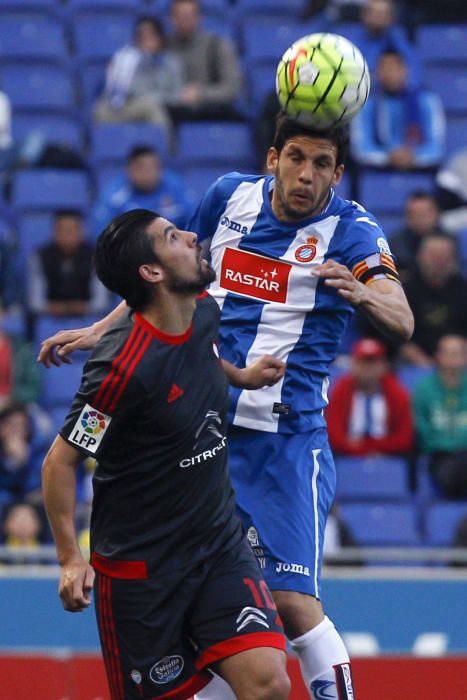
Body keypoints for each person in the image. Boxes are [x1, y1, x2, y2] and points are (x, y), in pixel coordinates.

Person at [38, 114, 414, 699]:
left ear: (338, 174)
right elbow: (160, 277)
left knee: (289, 603)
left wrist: (364, 292)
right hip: (205, 440)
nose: (306, 175)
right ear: (272, 158)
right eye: (295, 157)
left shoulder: (352, 230)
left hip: (284, 441)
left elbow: (403, 318)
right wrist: (99, 328)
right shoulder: (227, 197)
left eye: (321, 165)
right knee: (231, 636)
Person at [41, 209, 290, 700]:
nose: (193, 236)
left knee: (268, 683)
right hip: (142, 571)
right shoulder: (120, 371)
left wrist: (242, 376)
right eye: (174, 237)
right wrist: (71, 558)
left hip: (217, 546)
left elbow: (205, 358)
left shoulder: (203, 310)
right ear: (152, 273)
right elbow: (60, 462)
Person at [351, 49, 445, 171]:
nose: (389, 74)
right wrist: (388, 157)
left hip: (418, 170)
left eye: (394, 68)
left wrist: (414, 157)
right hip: (378, 170)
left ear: (405, 70)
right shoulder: (366, 103)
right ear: (377, 73)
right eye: (384, 68)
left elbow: (437, 147)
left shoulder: (427, 101)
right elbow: (360, 147)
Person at [94, 16, 184, 134]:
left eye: (150, 35)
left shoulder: (171, 63)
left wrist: (157, 98)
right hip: (126, 107)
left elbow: (178, 95)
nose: (145, 40)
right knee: (100, 110)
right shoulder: (125, 59)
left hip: (158, 107)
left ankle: (163, 149)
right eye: (141, 36)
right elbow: (123, 91)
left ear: (160, 38)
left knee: (153, 108)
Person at [326, 337, 414, 457]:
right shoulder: (341, 390)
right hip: (347, 456)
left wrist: (369, 447)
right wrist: (362, 450)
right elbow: (334, 434)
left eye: (373, 362)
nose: (368, 369)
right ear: (353, 365)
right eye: (363, 363)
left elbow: (405, 437)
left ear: (383, 365)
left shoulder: (397, 392)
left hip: (388, 458)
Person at [167, 0, 243, 124]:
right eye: (179, 15)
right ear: (171, 18)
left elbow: (232, 89)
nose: (184, 20)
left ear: (199, 17)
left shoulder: (216, 45)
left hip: (209, 113)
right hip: (172, 112)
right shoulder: (164, 46)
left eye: (189, 15)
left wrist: (201, 93)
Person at [92, 146, 194, 237]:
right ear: (129, 169)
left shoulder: (176, 187)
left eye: (154, 167)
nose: (149, 173)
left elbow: (196, 223)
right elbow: (102, 236)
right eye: (142, 167)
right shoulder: (114, 196)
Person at [413, 334, 467, 499]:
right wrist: (451, 445)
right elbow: (422, 431)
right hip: (439, 459)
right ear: (438, 357)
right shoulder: (424, 390)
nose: (451, 358)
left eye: (456, 353)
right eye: (447, 353)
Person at [399, 235, 467, 367]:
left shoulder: (463, 290)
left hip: (459, 359)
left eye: (444, 256)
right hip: (413, 361)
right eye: (433, 256)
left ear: (454, 260)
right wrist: (420, 360)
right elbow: (393, 334)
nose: (439, 262)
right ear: (419, 257)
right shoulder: (405, 291)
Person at [27, 210, 109, 318]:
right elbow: (35, 302)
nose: (68, 235)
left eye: (73, 230)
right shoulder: (40, 256)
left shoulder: (96, 256)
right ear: (55, 232)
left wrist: (84, 307)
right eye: (64, 230)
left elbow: (101, 302)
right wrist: (52, 307)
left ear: (82, 232)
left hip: (88, 319)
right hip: (50, 317)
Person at [344, 0, 421, 86]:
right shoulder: (351, 45)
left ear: (392, 18)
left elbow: (415, 76)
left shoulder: (401, 43)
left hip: (399, 95)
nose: (379, 17)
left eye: (384, 13)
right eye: (375, 13)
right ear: (364, 15)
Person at [389, 190, 447, 280]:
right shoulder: (395, 243)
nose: (420, 219)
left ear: (437, 213)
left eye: (425, 213)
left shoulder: (448, 242)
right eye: (414, 214)